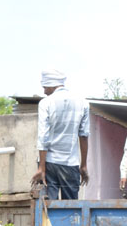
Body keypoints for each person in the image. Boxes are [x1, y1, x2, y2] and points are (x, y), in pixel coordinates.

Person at [31, 69, 90, 200]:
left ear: (51, 85)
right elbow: (84, 135)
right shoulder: (83, 102)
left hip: (50, 163)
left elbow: (43, 136)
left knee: (49, 209)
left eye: (45, 87)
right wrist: (84, 165)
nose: (44, 91)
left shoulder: (46, 103)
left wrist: (41, 168)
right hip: (71, 163)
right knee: (71, 209)